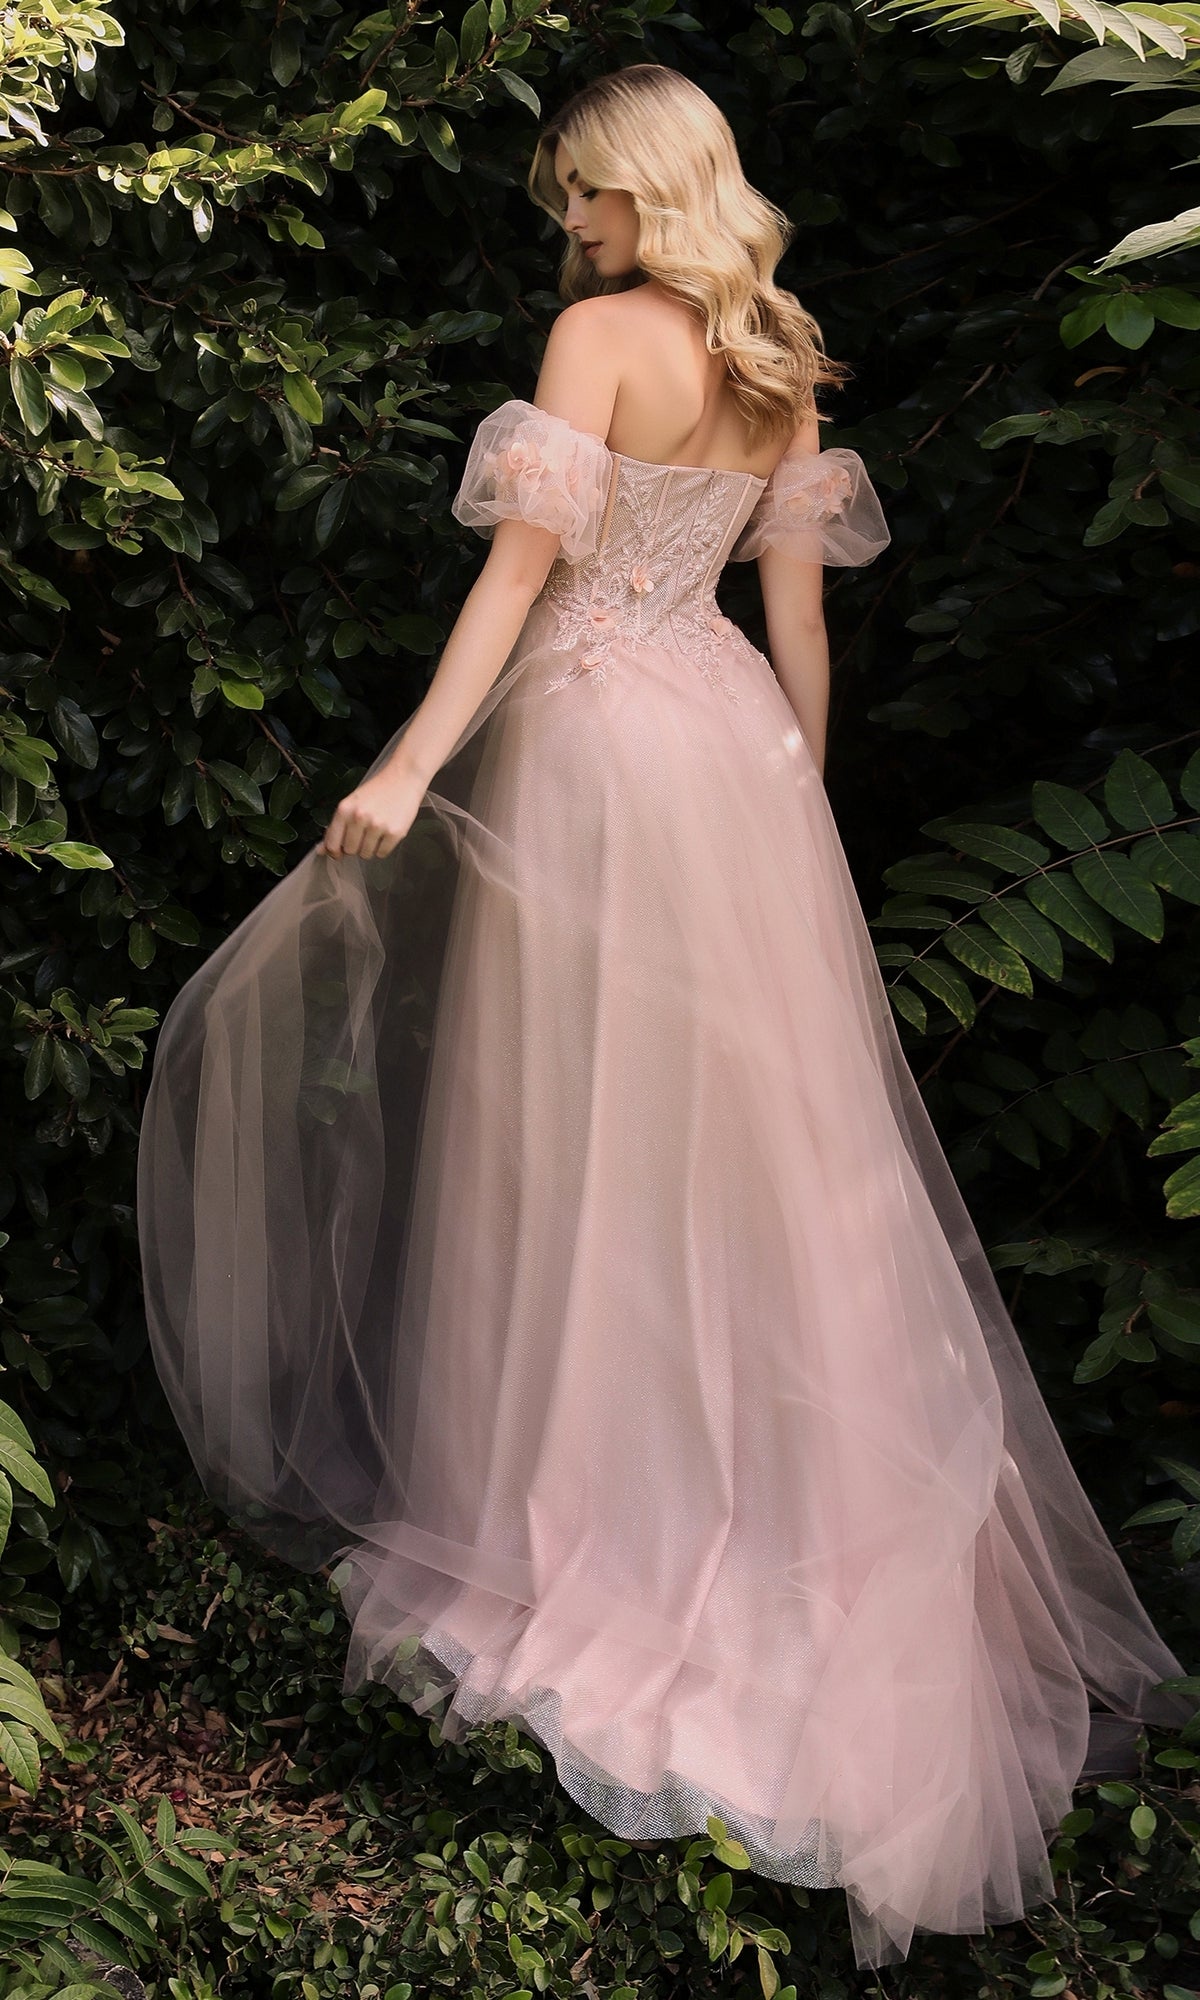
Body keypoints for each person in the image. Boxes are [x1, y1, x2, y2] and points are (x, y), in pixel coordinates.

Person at [136, 61, 1193, 1973]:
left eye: (584, 197)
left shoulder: (598, 338)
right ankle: (731, 1501)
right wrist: (795, 790)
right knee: (748, 1156)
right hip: (729, 758)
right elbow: (798, 624)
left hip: (608, 756)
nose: (571, 226)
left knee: (585, 1132)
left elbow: (517, 590)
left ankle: (582, 1521)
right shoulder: (779, 347)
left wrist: (401, 764)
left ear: (641, 188)